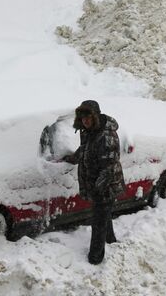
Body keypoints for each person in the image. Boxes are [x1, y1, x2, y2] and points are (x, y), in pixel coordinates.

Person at [63, 100, 126, 265]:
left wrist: (98, 188)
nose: (85, 120)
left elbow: (109, 168)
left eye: (88, 117)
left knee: (98, 221)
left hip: (106, 184)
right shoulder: (88, 131)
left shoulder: (107, 136)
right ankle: (110, 239)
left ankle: (95, 258)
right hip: (97, 182)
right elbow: (84, 148)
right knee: (103, 214)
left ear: (96, 116)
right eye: (82, 117)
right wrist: (72, 159)